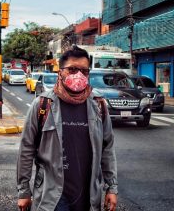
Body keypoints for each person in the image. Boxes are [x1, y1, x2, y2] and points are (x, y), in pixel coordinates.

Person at [16, 46, 118, 211]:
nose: (78, 75)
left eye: (84, 71)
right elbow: (26, 149)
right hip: (53, 197)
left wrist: (111, 187)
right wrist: (23, 192)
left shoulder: (98, 104)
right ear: (60, 71)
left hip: (89, 196)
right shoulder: (42, 105)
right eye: (72, 69)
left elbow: (107, 149)